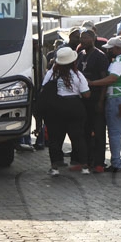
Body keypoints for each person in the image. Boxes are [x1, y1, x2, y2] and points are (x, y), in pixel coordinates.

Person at [41, 47, 90, 176]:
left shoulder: (51, 74)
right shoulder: (78, 75)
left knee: (55, 139)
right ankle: (85, 167)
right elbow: (86, 94)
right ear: (73, 61)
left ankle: (55, 167)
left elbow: (44, 90)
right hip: (74, 107)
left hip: (55, 109)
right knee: (78, 138)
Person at [92, 37, 121, 172]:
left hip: (118, 98)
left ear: (117, 49)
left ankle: (116, 163)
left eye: (111, 49)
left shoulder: (118, 61)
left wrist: (93, 83)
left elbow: (113, 78)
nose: (108, 51)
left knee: (114, 132)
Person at [79, 29, 110, 173]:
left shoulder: (100, 56)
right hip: (84, 100)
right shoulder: (81, 55)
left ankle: (99, 162)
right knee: (85, 131)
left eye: (85, 38)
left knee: (98, 132)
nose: (82, 41)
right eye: (81, 38)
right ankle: (87, 161)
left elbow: (105, 81)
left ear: (93, 39)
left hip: (97, 98)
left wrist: (101, 101)